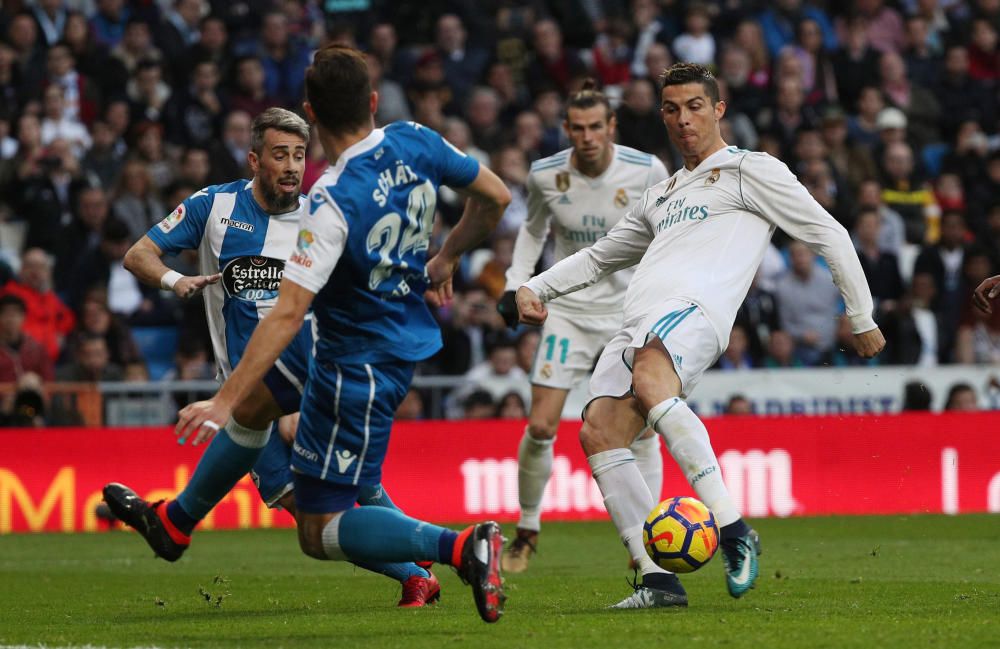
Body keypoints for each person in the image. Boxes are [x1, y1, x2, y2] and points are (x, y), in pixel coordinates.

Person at [514, 63, 884, 608]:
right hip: (636, 319)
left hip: (693, 311)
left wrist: (862, 315)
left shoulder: (749, 169)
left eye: (694, 106)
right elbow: (598, 258)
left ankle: (734, 529)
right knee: (597, 430)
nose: (683, 119)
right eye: (671, 108)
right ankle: (656, 579)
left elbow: (828, 231)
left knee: (649, 377)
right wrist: (536, 287)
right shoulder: (661, 194)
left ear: (718, 109)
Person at [169, 46, 512, 623]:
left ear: (311, 112)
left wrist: (220, 399)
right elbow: (496, 196)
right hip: (381, 335)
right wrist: (449, 255)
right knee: (275, 426)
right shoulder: (416, 138)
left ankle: (459, 547)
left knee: (318, 526)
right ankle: (176, 521)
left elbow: (285, 312)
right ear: (373, 102)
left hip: (358, 354)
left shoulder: (329, 198)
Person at [101, 108, 438, 608]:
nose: (291, 166)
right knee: (299, 502)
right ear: (254, 159)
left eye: (300, 155)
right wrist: (178, 280)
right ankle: (420, 564)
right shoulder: (213, 207)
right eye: (280, 154)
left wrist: (302, 397)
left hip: (307, 377)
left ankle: (430, 550)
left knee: (342, 488)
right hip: (245, 388)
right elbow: (139, 254)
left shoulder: (321, 217)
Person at [496, 79, 670, 573]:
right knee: (541, 424)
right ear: (566, 130)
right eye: (578, 128)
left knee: (644, 429)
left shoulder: (646, 170)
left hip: (628, 311)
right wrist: (515, 284)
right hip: (568, 312)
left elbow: (667, 229)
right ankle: (528, 527)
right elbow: (532, 232)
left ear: (611, 127)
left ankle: (649, 540)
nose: (588, 136)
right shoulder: (545, 175)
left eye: (597, 126)